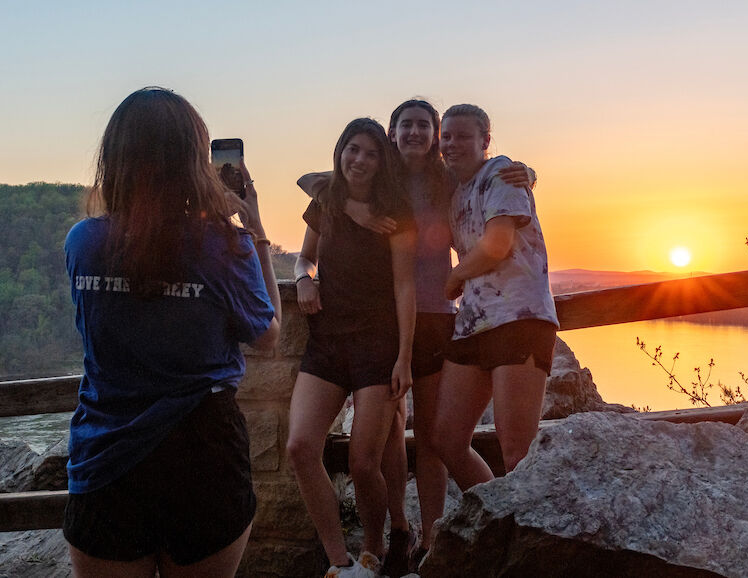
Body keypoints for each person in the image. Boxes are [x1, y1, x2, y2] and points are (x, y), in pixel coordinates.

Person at [298, 99, 535, 576]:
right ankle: (398, 531)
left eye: (425, 126)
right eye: (406, 125)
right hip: (384, 322)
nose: (415, 133)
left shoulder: (445, 180)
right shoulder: (379, 178)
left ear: (435, 135)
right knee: (388, 435)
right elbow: (313, 183)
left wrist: (524, 172)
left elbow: (484, 185)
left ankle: (430, 537)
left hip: (435, 318)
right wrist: (347, 214)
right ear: (392, 132)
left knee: (429, 436)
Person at [62, 87, 281, 577]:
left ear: (114, 157)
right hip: (204, 453)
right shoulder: (225, 245)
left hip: (105, 455)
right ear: (193, 161)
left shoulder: (82, 243)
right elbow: (268, 335)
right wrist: (255, 232)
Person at [285, 118, 417, 578]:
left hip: (377, 347)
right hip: (327, 343)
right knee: (301, 446)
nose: (359, 160)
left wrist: (404, 356)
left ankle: (376, 549)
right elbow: (306, 256)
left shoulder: (396, 214)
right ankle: (338, 561)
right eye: (352, 149)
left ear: (383, 162)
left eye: (371, 153)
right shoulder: (326, 203)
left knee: (364, 464)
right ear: (339, 152)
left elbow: (405, 287)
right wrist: (303, 277)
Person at [431, 103, 559, 492]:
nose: (452, 144)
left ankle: (526, 543)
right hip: (473, 324)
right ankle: (491, 517)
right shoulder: (454, 190)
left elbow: (497, 244)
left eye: (463, 136)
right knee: (446, 440)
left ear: (485, 140)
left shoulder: (501, 173)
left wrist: (454, 276)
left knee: (517, 450)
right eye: (446, 137)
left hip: (519, 319)